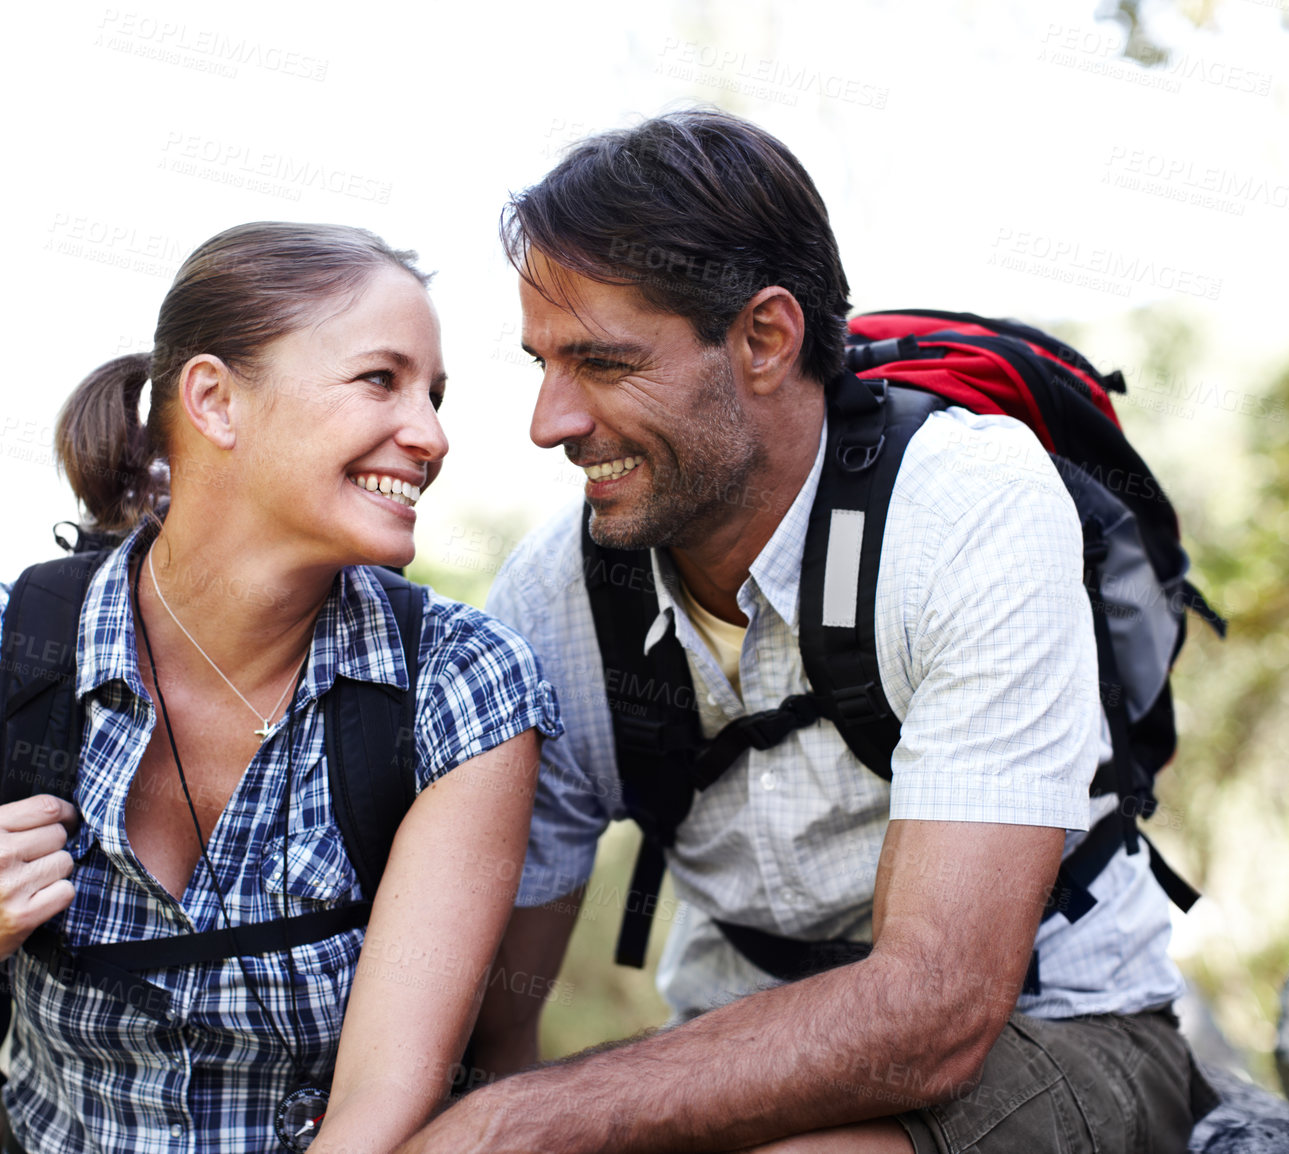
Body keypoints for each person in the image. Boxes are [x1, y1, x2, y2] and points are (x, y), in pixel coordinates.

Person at [398, 111, 1214, 1153]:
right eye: (541, 363)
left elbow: (936, 1010)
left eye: (601, 362)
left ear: (765, 338)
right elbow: (489, 1020)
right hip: (725, 1045)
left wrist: (517, 1122)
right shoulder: (554, 596)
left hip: (1058, 1024)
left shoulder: (969, 509)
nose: (548, 421)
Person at [0, 222, 560, 1154]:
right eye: (381, 380)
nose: (430, 436)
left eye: (435, 395)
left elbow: (382, 1102)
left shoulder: (461, 688)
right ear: (217, 402)